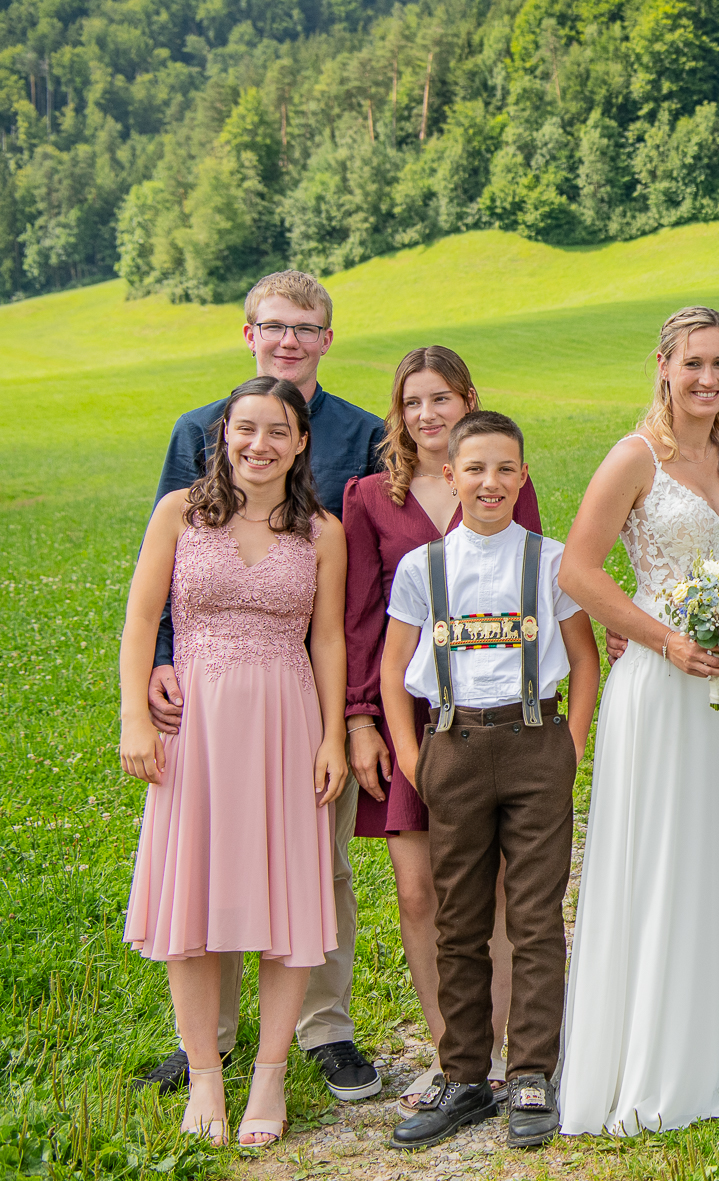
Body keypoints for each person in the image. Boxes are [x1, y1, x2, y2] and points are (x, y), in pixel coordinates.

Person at [136, 270, 385, 1102]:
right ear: (249, 334)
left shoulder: (364, 435)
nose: (288, 339)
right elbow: (170, 570)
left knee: (316, 866)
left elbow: (359, 588)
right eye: (274, 325)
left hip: (304, 690)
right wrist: (163, 661)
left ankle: (323, 1028)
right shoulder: (199, 429)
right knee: (206, 860)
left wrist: (350, 716)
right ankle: (206, 1041)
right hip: (206, 688)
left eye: (304, 327)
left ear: (326, 339)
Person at [554, 306, 719, 1134]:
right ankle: (650, 1057)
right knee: (659, 854)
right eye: (693, 362)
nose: (707, 378)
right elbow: (578, 571)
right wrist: (661, 637)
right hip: (660, 679)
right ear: (663, 364)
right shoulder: (635, 455)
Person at [118, 378, 350, 1148]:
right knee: (193, 899)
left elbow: (327, 639)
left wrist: (332, 737)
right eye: (245, 428)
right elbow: (140, 620)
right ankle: (206, 1077)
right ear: (223, 435)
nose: (260, 444)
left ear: (301, 441)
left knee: (287, 901)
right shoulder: (179, 514)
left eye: (278, 430)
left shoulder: (322, 531)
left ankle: (271, 1077)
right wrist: (135, 719)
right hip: (198, 728)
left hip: (287, 724)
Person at [380, 412, 599, 1149]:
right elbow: (393, 668)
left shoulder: (549, 560)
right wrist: (414, 759)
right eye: (475, 468)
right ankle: (466, 1074)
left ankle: (532, 1071)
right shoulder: (424, 568)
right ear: (450, 476)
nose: (490, 482)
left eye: (506, 468)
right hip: (455, 744)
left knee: (535, 917)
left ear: (523, 475)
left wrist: (569, 746)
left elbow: (584, 657)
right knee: (460, 920)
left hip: (535, 740)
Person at [341, 347, 536, 1113]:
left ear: (468, 401)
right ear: (398, 411)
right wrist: (363, 719)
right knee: (419, 889)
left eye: (442, 399)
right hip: (408, 715)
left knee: (494, 885)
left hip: (491, 711)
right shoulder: (368, 498)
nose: (427, 414)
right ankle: (452, 1049)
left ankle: (502, 1048)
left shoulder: (498, 481)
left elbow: (531, 597)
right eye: (413, 401)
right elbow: (360, 619)